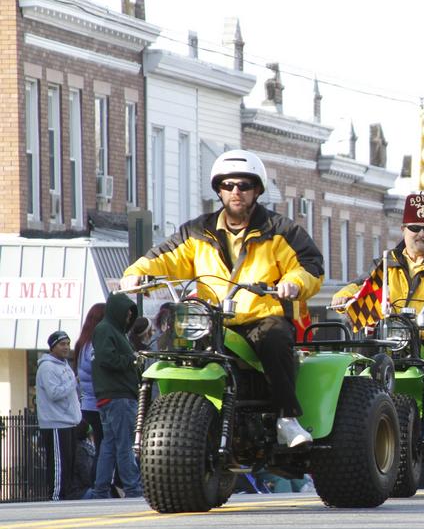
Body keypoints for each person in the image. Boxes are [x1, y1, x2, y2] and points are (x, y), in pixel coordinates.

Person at [119, 149, 324, 447]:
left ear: (257, 190)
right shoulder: (197, 231)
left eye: (244, 185)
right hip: (211, 320)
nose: (236, 192)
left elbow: (310, 266)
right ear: (218, 190)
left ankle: (286, 418)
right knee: (167, 344)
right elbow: (163, 257)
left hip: (259, 317)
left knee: (276, 339)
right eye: (228, 186)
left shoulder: (281, 230)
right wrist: (136, 273)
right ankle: (163, 415)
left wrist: (293, 283)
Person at [330, 194, 424, 440]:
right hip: (394, 337)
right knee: (360, 357)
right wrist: (343, 295)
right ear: (403, 229)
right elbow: (363, 285)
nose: (421, 234)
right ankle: (356, 415)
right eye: (415, 228)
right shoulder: (387, 262)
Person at [89, 292, 143, 499]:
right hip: (118, 395)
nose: (129, 318)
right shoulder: (106, 330)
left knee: (109, 444)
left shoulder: (110, 331)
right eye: (127, 313)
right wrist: (132, 361)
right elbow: (107, 359)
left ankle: (101, 489)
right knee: (124, 444)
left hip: (110, 395)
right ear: (118, 312)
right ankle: (132, 487)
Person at [36, 330, 83, 500]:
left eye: (68, 344)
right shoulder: (47, 367)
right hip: (56, 423)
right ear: (53, 347)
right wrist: (74, 381)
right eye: (62, 344)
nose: (66, 347)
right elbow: (54, 393)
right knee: (58, 464)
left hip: (69, 422)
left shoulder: (64, 365)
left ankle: (66, 495)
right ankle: (55, 496)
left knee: (69, 464)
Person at [73, 303, 108, 491]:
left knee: (101, 443)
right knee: (104, 445)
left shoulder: (83, 344)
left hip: (88, 402)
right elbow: (99, 373)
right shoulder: (95, 345)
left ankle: (98, 481)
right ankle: (98, 482)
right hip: (98, 402)